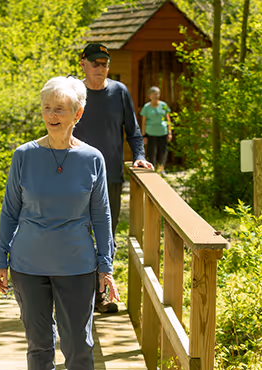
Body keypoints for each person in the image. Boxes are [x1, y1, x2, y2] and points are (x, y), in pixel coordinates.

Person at [0, 76, 120, 370]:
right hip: (28, 264)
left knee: (78, 344)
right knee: (39, 343)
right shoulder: (25, 156)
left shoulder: (91, 159)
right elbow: (10, 211)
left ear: (77, 114)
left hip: (77, 264)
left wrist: (105, 264)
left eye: (60, 109)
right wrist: (2, 258)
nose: (52, 115)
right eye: (47, 108)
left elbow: (102, 216)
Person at [74, 43, 154, 314]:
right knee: (76, 233)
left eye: (105, 63)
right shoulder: (73, 92)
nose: (100, 68)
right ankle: (79, 295)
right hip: (75, 178)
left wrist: (140, 155)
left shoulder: (119, 92)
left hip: (111, 178)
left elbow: (132, 131)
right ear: (83, 64)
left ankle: (104, 294)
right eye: (95, 63)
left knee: (106, 236)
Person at [140, 86, 172, 172]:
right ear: (149, 96)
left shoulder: (163, 105)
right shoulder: (146, 107)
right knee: (152, 152)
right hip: (151, 133)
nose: (155, 96)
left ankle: (161, 169)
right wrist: (143, 135)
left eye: (157, 94)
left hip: (163, 132)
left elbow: (168, 119)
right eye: (153, 94)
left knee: (163, 151)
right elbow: (143, 122)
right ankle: (152, 169)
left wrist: (169, 132)